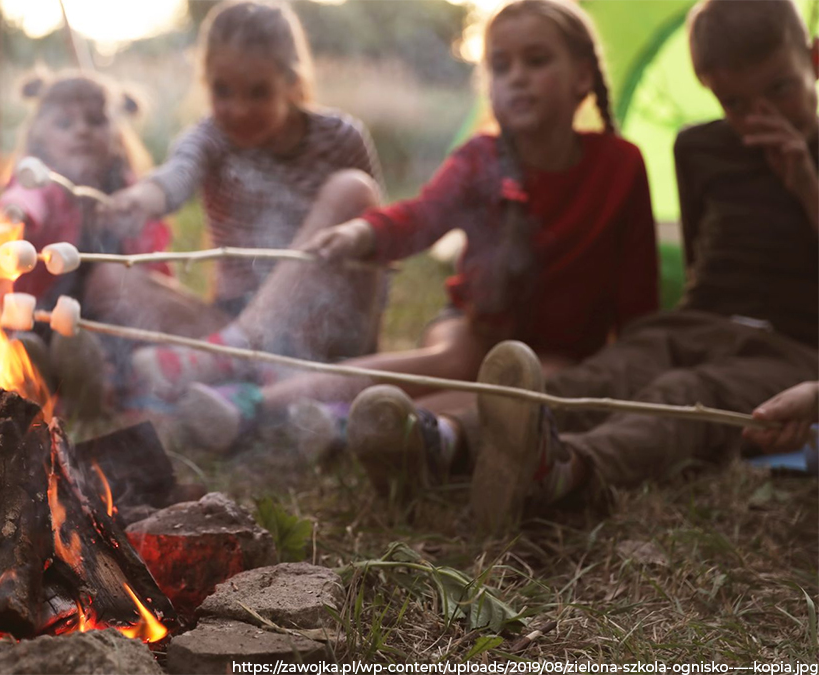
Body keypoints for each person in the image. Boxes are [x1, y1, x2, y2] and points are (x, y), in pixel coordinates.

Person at [348, 0, 818, 529]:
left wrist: (805, 185)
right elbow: (699, 262)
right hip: (696, 321)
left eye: (780, 89)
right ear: (709, 89)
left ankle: (566, 471)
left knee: (683, 398)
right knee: (599, 378)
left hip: (790, 348)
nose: (761, 114)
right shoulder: (701, 147)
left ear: (814, 60)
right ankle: (443, 442)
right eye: (735, 101)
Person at [173, 0, 660, 455]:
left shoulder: (620, 166)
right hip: (473, 323)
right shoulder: (482, 158)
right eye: (501, 66)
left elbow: (638, 293)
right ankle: (257, 404)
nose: (518, 79)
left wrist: (637, 361)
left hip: (562, 349)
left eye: (536, 61)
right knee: (457, 362)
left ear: (581, 76)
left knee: (527, 387)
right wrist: (363, 233)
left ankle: (357, 423)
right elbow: (421, 215)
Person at [99, 0, 387, 405]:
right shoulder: (210, 138)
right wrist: (141, 198)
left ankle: (236, 362)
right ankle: (248, 374)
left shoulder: (341, 137)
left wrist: (368, 342)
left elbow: (380, 242)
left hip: (323, 326)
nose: (238, 109)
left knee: (353, 191)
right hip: (232, 319)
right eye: (222, 91)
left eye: (258, 92)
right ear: (205, 81)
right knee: (107, 279)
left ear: (291, 81)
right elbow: (177, 174)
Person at [0, 72, 174, 413]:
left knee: (105, 346)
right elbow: (28, 195)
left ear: (117, 134)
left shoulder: (127, 191)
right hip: (43, 308)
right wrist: (15, 212)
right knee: (35, 336)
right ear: (39, 138)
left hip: (109, 319)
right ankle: (38, 374)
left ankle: (94, 385)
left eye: (95, 121)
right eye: (64, 123)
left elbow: (151, 257)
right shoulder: (45, 181)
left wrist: (157, 293)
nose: (81, 130)